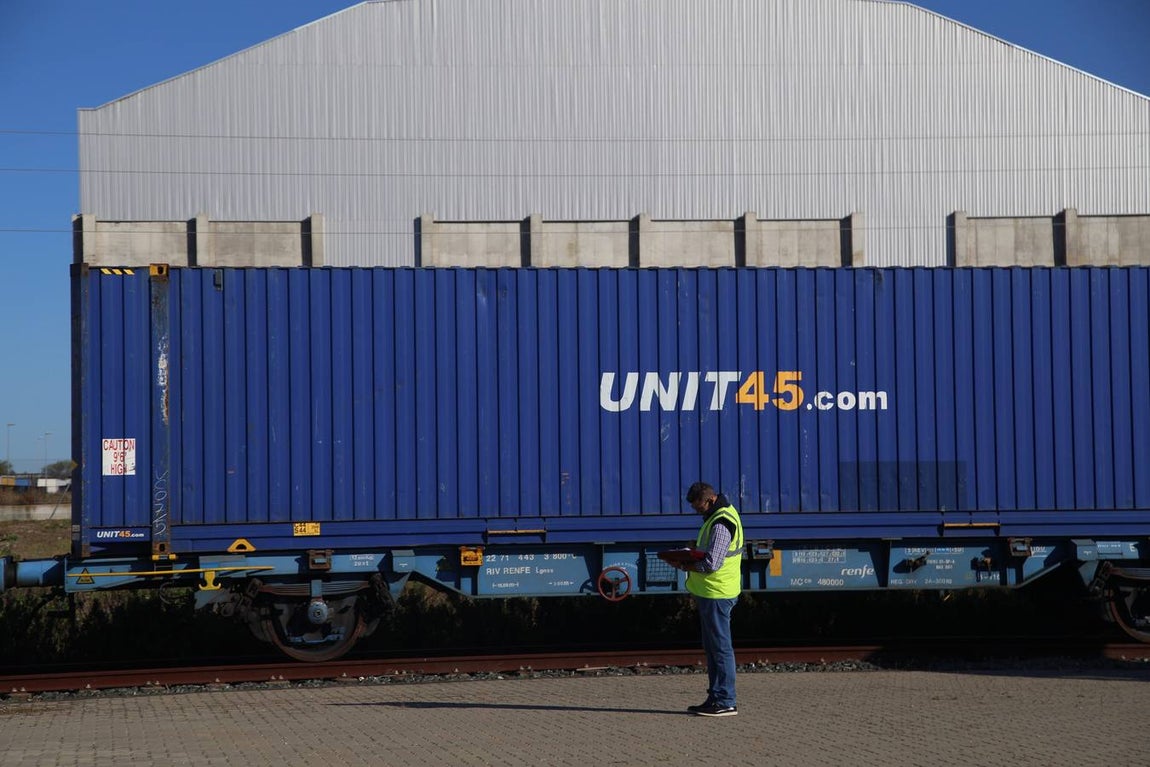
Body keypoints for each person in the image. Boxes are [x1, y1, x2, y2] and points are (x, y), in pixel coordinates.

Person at [676, 481, 743, 717]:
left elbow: (712, 563)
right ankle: (716, 698)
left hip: (717, 592)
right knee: (713, 648)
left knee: (720, 649)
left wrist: (685, 564)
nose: (697, 511)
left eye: (699, 506)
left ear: (710, 499)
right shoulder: (717, 516)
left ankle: (726, 700)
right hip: (712, 592)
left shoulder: (721, 522)